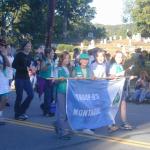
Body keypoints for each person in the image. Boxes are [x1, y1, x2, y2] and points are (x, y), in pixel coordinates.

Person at [109, 51, 133, 130]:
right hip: (115, 90)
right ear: (115, 58)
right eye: (118, 57)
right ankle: (111, 124)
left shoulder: (121, 66)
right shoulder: (113, 66)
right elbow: (111, 77)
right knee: (113, 106)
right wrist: (117, 75)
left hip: (121, 89)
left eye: (120, 57)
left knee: (123, 105)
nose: (119, 58)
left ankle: (124, 123)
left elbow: (122, 77)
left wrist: (129, 77)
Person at [72, 53, 94, 134]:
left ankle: (86, 127)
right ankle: (76, 126)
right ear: (80, 60)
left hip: (87, 93)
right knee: (78, 110)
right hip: (78, 93)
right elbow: (71, 80)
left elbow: (93, 78)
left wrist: (93, 78)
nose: (85, 61)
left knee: (87, 110)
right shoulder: (76, 69)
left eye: (86, 60)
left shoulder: (89, 69)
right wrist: (76, 78)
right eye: (83, 59)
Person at [12, 40, 34, 120]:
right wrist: (24, 68)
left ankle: (21, 111)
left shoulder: (30, 55)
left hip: (26, 78)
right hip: (19, 78)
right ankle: (17, 114)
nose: (29, 47)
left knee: (31, 94)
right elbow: (13, 65)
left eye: (30, 46)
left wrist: (32, 68)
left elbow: (29, 66)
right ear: (24, 46)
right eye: (27, 46)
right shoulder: (19, 55)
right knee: (19, 96)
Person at [55, 51, 72, 140]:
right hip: (61, 92)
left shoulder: (69, 69)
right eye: (65, 58)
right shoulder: (58, 69)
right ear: (61, 59)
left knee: (67, 112)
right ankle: (63, 132)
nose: (67, 60)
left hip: (69, 92)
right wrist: (59, 80)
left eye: (68, 58)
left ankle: (59, 125)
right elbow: (53, 81)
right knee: (62, 112)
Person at [0, 38, 10, 125]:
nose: (2, 47)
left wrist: (5, 55)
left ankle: (0, 114)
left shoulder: (3, 55)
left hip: (3, 81)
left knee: (5, 98)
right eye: (0, 45)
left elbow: (8, 65)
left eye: (3, 45)